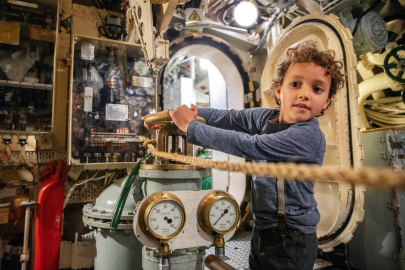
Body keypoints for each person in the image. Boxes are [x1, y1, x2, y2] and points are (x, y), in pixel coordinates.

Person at [142, 41, 345, 270]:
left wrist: (191, 128)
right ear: (279, 90)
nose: (304, 94)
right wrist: (184, 114)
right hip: (263, 229)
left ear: (326, 101)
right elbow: (232, 118)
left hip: (292, 238)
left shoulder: (308, 136)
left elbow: (252, 146)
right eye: (295, 84)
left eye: (316, 89)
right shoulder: (267, 118)